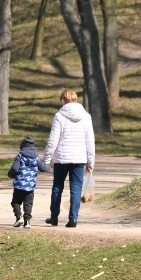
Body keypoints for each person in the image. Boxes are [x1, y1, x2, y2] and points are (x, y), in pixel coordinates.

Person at [42, 89, 95, 228]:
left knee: (57, 187)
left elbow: (53, 140)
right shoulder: (86, 116)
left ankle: (54, 217)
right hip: (79, 158)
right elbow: (90, 141)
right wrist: (91, 161)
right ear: (76, 99)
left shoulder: (60, 116)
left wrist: (46, 160)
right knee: (76, 188)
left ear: (62, 100)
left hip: (61, 158)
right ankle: (73, 218)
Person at [7, 136, 50, 229]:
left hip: (19, 186)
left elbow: (14, 168)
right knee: (28, 204)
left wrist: (10, 175)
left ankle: (19, 217)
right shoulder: (36, 158)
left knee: (15, 202)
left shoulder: (20, 156)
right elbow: (43, 168)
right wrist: (48, 166)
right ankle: (27, 222)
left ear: (22, 146)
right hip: (30, 187)